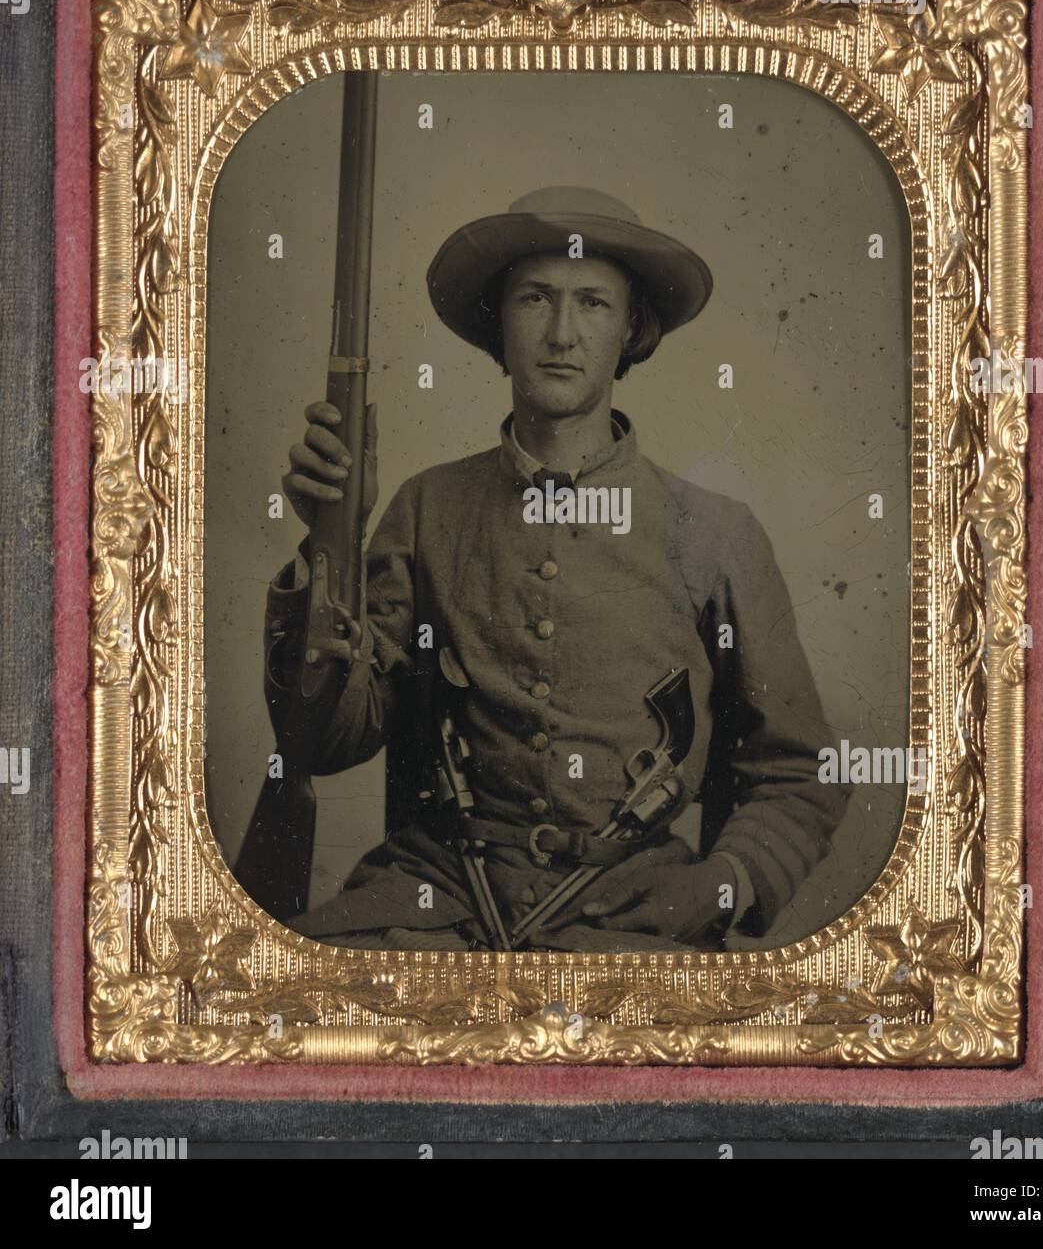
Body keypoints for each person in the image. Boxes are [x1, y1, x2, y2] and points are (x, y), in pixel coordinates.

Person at [262, 186, 847, 952]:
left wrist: (720, 882)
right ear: (499, 326)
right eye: (535, 299)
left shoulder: (715, 534)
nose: (562, 334)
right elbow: (328, 741)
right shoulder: (423, 507)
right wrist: (328, 544)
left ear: (631, 328)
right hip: (429, 907)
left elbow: (797, 771)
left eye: (594, 305)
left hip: (626, 921)